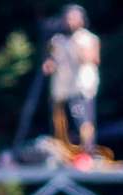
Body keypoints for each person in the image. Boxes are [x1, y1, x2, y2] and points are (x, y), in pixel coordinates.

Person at [42, 4, 100, 153]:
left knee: (83, 122)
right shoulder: (58, 40)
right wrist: (49, 65)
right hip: (62, 89)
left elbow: (92, 59)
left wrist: (77, 46)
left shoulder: (88, 38)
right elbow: (53, 61)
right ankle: (63, 154)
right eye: (67, 18)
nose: (69, 22)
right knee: (60, 123)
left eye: (73, 18)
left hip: (81, 87)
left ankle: (88, 152)